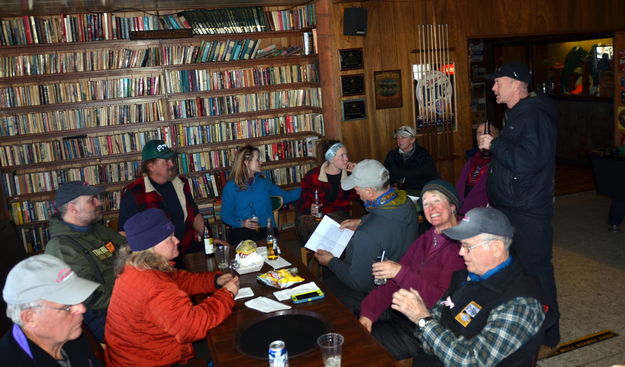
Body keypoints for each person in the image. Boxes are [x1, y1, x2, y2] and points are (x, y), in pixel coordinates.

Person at [392, 207, 552, 366]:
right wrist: (429, 329)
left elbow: (471, 362)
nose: (461, 253)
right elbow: (428, 335)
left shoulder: (521, 303)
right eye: (461, 245)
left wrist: (423, 320)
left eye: (468, 246)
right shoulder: (463, 276)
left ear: (496, 248)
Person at [479, 61, 560, 348]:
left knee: (536, 269)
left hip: (527, 209)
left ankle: (549, 331)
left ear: (515, 84)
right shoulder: (518, 115)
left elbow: (528, 161)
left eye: (497, 82)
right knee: (517, 269)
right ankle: (524, 322)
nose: (493, 88)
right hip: (512, 205)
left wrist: (495, 144)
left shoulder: (533, 115)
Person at [105, 208, 240, 367]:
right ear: (152, 247)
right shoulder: (152, 285)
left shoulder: (138, 266)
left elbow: (179, 280)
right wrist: (226, 295)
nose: (177, 240)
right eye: (169, 238)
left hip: (140, 353)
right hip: (153, 361)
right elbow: (191, 327)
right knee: (231, 346)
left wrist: (214, 281)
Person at [358, 179, 465, 360]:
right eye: (425, 203)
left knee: (366, 349)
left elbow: (440, 302)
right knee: (355, 321)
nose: (431, 208)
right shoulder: (425, 239)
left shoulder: (462, 248)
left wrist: (401, 273)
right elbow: (393, 282)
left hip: (428, 327)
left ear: (452, 206)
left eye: (436, 201)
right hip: (403, 311)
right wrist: (368, 314)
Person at [315, 159, 418, 314]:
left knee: (322, 292)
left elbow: (358, 283)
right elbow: (386, 217)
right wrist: (361, 221)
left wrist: (330, 262)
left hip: (379, 295)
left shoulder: (366, 235)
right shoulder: (406, 202)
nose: (355, 191)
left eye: (357, 189)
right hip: (404, 278)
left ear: (370, 191)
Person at [45, 181, 127, 342]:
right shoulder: (62, 248)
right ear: (73, 209)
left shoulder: (96, 229)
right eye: (91, 200)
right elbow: (90, 298)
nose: (99, 202)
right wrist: (133, 295)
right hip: (102, 314)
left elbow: (129, 249)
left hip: (123, 298)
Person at [1, 254, 102, 366]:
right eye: (68, 307)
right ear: (29, 317)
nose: (82, 309)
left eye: (78, 299)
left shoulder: (71, 335)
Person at [119, 139, 206, 266]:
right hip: (157, 260)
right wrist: (145, 260)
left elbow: (194, 214)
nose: (172, 164)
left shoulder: (181, 183)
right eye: (166, 161)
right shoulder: (133, 193)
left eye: (171, 159)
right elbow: (123, 233)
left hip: (187, 250)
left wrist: (209, 239)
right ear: (151, 166)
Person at [220, 145, 301, 245]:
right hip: (242, 231)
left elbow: (286, 196)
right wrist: (242, 223)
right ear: (246, 162)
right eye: (257, 160)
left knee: (270, 246)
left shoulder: (264, 183)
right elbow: (225, 215)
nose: (261, 162)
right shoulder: (231, 187)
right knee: (247, 247)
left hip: (266, 230)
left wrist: (307, 187)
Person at [295, 140, 358, 243]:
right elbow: (302, 202)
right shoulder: (313, 176)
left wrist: (357, 173)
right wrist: (310, 208)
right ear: (330, 158)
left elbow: (364, 197)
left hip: (339, 218)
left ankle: (331, 254)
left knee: (335, 233)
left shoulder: (350, 175)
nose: (346, 159)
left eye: (346, 155)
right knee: (313, 226)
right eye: (341, 156)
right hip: (316, 219)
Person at [455, 122, 500, 215]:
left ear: (496, 138)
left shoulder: (500, 163)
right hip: (461, 214)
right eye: (479, 134)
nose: (482, 137)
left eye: (487, 133)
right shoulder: (470, 161)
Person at [384, 125, 437, 192]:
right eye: (398, 138)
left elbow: (430, 178)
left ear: (412, 140)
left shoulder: (423, 155)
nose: (399, 141)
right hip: (395, 192)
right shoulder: (391, 155)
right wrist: (392, 186)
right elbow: (385, 176)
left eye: (403, 138)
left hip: (417, 193)